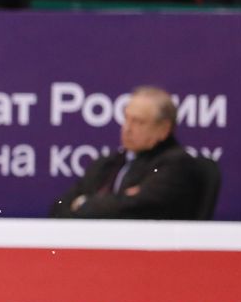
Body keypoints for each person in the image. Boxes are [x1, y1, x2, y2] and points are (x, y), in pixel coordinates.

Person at [51, 86, 204, 219]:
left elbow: (135, 208)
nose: (127, 128)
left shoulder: (177, 164)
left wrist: (83, 203)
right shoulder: (107, 163)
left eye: (138, 122)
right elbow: (59, 208)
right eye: (126, 119)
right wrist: (112, 200)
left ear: (163, 129)